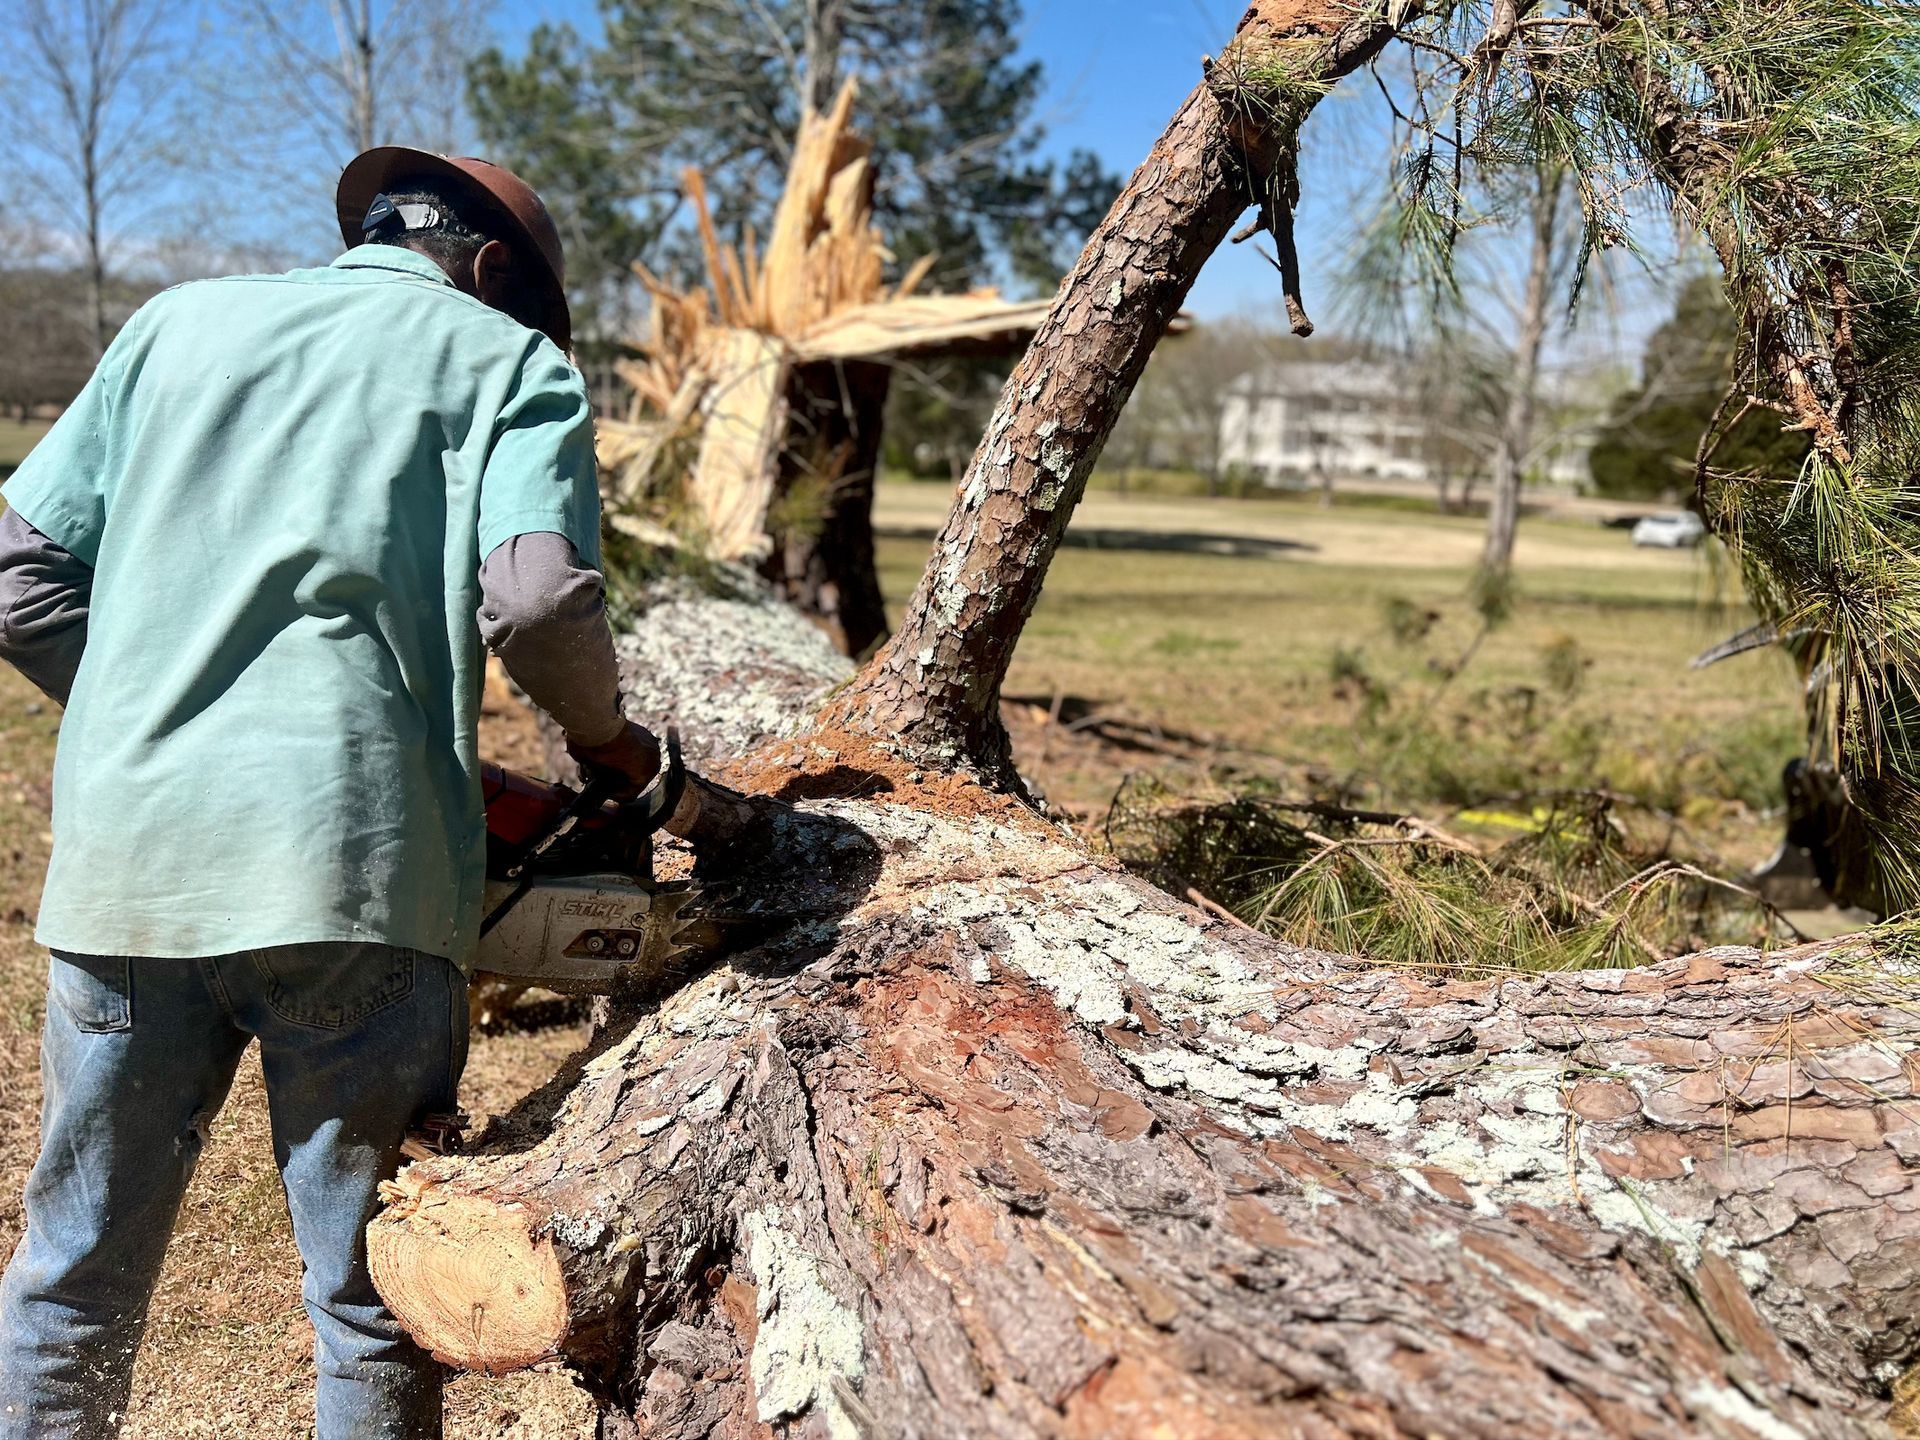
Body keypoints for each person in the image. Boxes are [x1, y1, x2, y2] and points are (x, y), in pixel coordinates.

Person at [0, 148, 659, 1440]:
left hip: (130, 871)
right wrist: (611, 748)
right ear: (487, 274)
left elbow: (17, 580)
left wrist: (152, 712)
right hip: (363, 873)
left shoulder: (172, 326)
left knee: (73, 1278)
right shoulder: (510, 362)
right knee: (368, 1305)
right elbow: (535, 601)